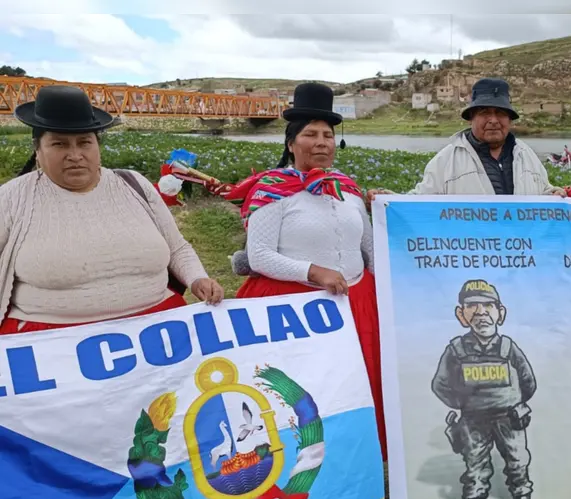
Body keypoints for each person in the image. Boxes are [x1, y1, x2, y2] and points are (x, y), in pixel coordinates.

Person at [222, 82, 387, 461]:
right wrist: (314, 272)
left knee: (356, 383)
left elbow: (368, 247)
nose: (321, 143)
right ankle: (304, 457)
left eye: (328, 135)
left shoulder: (346, 188)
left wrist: (394, 285)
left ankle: (356, 456)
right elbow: (259, 255)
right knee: (306, 390)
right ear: (292, 142)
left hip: (357, 303)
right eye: (310, 134)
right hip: (295, 307)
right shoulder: (271, 190)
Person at [0, 85, 223, 335]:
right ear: (38, 150)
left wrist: (197, 278)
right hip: (52, 344)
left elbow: (177, 247)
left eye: (84, 143)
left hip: (158, 332)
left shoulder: (134, 185)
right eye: (59, 144)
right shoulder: (11, 198)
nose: (75, 155)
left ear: (98, 146)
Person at [432, 280, 538, 499]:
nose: (481, 313)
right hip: (472, 420)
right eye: (472, 306)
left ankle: (523, 498)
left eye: (488, 305)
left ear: (501, 312)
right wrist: (464, 405)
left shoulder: (509, 348)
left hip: (508, 417)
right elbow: (441, 384)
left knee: (517, 459)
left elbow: (528, 381)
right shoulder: (456, 350)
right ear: (461, 314)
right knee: (475, 462)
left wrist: (514, 403)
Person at [367, 78, 566, 198]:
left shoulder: (526, 154)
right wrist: (387, 202)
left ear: (510, 119)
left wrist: (555, 194)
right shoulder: (445, 161)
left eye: (501, 113)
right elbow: (419, 202)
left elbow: (544, 192)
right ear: (471, 118)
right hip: (471, 264)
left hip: (521, 259)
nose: (494, 120)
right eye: (485, 113)